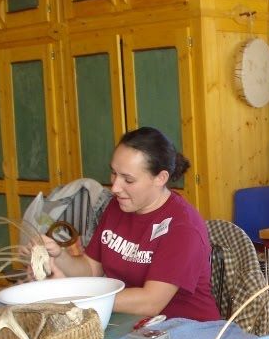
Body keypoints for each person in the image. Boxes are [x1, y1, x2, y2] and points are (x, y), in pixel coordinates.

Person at [34, 127, 220, 322]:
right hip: (131, 325)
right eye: (114, 173)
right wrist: (59, 255)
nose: (115, 187)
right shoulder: (118, 206)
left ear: (160, 178)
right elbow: (91, 268)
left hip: (189, 333)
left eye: (128, 180)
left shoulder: (183, 227)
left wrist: (75, 297)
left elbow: (150, 302)